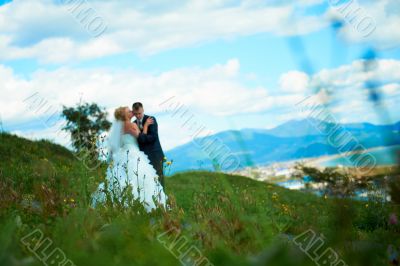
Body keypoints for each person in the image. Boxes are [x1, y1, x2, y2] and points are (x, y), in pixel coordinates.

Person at [92, 107, 167, 212]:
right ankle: (147, 207)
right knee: (141, 178)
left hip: (123, 154)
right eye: (129, 111)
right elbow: (142, 137)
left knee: (123, 177)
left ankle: (122, 206)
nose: (131, 111)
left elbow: (116, 146)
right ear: (125, 115)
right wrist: (145, 126)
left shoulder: (118, 129)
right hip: (134, 153)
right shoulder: (132, 125)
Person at [132, 102, 166, 188]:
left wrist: (143, 136)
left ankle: (163, 201)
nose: (138, 116)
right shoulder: (134, 123)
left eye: (139, 113)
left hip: (155, 155)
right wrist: (145, 127)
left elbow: (153, 137)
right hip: (143, 158)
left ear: (143, 110)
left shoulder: (151, 119)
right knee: (148, 182)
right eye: (135, 114)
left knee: (160, 181)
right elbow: (140, 140)